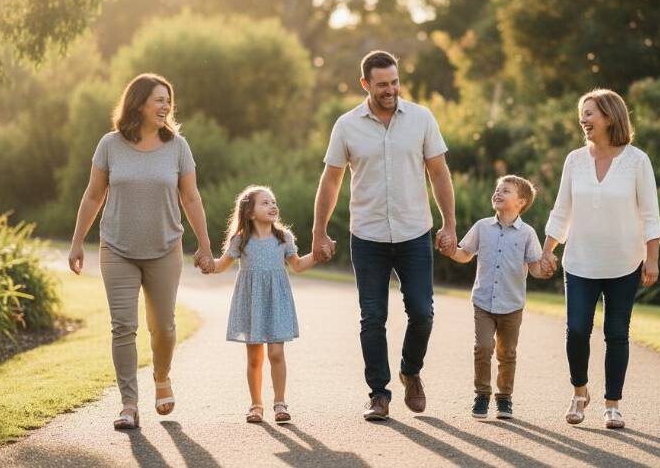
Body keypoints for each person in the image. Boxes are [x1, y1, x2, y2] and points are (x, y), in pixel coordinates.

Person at [311, 50, 457, 421]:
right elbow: (331, 179)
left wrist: (449, 224)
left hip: (414, 233)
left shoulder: (422, 118)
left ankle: (411, 370)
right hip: (368, 236)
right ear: (365, 85)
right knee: (372, 317)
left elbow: (439, 174)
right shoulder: (346, 125)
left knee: (422, 312)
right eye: (382, 85)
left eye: (394, 82)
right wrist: (319, 231)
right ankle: (379, 393)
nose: (390, 90)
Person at [68, 73, 214, 430]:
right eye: (158, 100)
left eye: (168, 100)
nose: (165, 106)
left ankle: (161, 377)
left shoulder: (178, 146)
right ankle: (129, 404)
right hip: (117, 247)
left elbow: (191, 197)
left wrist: (205, 245)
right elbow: (93, 195)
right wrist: (76, 242)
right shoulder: (110, 144)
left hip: (165, 247)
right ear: (138, 103)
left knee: (163, 327)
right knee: (123, 327)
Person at [543, 88, 660, 430]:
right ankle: (580, 392)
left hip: (624, 263)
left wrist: (651, 258)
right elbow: (562, 209)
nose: (583, 119)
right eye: (582, 113)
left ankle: (612, 404)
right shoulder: (574, 160)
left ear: (610, 116)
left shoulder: (637, 160)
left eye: (590, 113)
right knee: (577, 330)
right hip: (580, 261)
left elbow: (650, 213)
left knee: (616, 333)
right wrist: (546, 250)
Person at [206, 185, 320, 424]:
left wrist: (318, 255)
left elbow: (297, 265)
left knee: (276, 353)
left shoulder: (283, 238)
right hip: (252, 302)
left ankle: (280, 403)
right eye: (265, 202)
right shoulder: (241, 240)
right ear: (249, 212)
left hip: (277, 300)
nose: (272, 206)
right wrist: (206, 262)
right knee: (255, 357)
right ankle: (256, 405)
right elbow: (220, 265)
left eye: (273, 202)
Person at [446, 175, 553, 420]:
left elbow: (535, 268)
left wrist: (544, 269)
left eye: (505, 190)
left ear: (521, 202)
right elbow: (465, 255)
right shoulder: (482, 227)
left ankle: (504, 398)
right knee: (483, 348)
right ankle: (482, 394)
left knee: (508, 353)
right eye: (497, 189)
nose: (498, 193)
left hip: (512, 305)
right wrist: (451, 250)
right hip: (483, 302)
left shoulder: (527, 233)